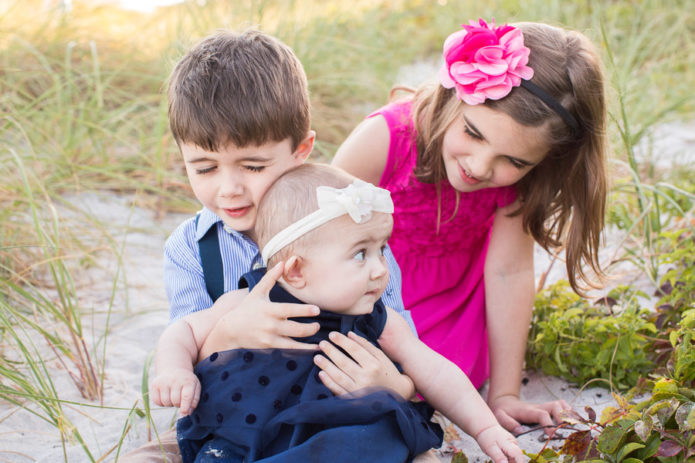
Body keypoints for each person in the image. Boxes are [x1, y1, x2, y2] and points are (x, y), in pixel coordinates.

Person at [121, 29, 419, 462]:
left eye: (253, 165)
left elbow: (405, 349)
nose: (230, 189)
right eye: (205, 168)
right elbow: (184, 349)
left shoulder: (352, 234)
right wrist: (229, 331)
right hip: (234, 425)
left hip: (343, 418)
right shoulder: (191, 247)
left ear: (302, 150)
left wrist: (394, 384)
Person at [332, 19, 608, 435]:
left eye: (514, 161)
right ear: (453, 96)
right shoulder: (385, 138)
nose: (480, 167)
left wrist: (505, 394)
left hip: (449, 312)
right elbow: (314, 227)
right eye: (473, 133)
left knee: (442, 372)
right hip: (361, 294)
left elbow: (508, 273)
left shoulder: (521, 185)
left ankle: (404, 388)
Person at [151, 163, 524, 463]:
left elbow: (436, 371)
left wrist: (485, 429)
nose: (382, 269)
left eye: (381, 249)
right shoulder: (251, 301)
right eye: (361, 254)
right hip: (249, 434)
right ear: (296, 270)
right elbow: (184, 330)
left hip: (351, 434)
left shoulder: (376, 318)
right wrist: (173, 369)